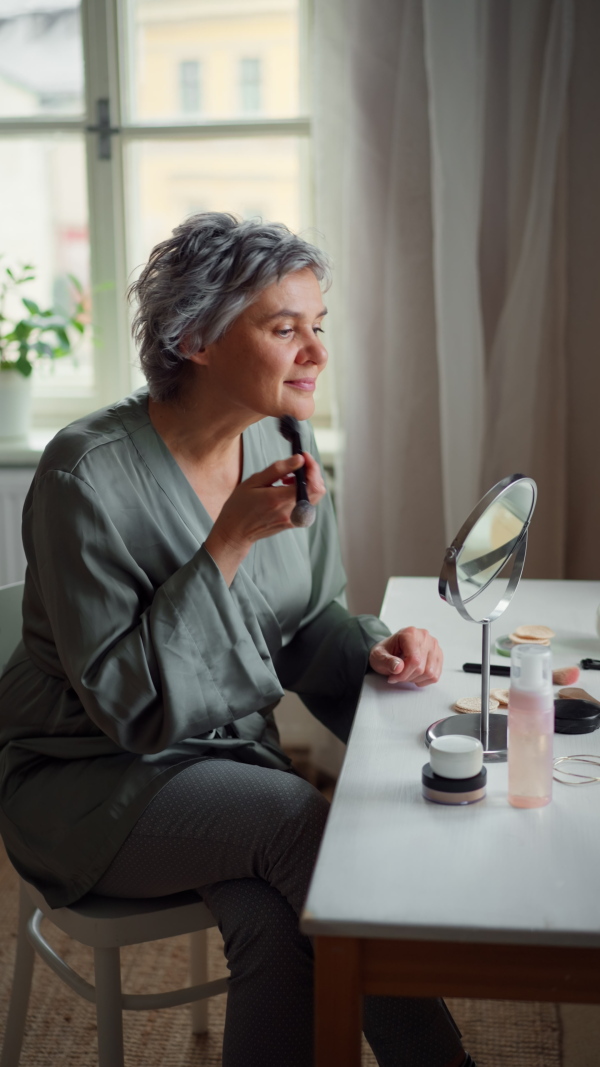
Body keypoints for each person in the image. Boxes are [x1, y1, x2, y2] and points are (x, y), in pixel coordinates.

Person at [0, 213, 475, 1067]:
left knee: (277, 921)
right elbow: (126, 708)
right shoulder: (84, 475)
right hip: (89, 780)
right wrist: (227, 542)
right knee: (305, 827)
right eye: (284, 327)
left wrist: (373, 649)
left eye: (317, 326)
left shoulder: (284, 437)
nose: (316, 352)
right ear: (195, 338)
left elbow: (304, 622)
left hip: (220, 767)